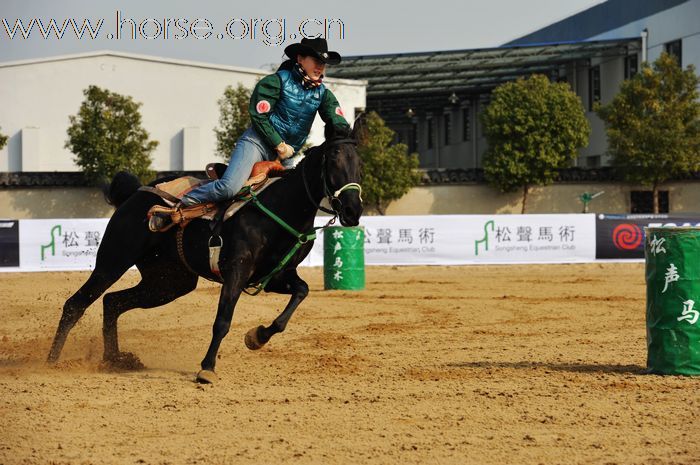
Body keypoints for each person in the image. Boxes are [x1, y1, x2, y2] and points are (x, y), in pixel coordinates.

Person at [149, 38, 351, 232]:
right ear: (300, 59)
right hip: (256, 144)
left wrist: (347, 138)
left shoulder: (323, 94)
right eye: (316, 61)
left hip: (285, 156)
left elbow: (337, 120)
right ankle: (181, 204)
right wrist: (279, 144)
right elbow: (258, 115)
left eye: (323, 64)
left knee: (294, 202)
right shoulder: (275, 82)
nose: (320, 67)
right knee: (229, 188)